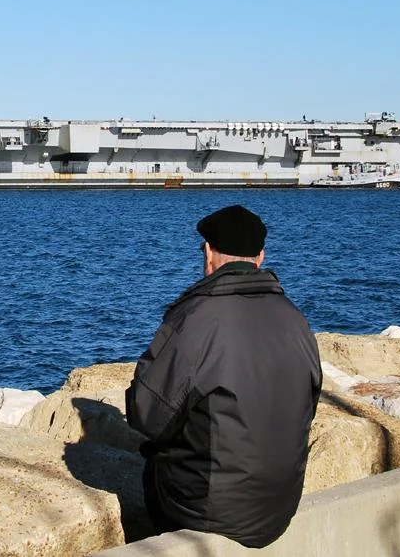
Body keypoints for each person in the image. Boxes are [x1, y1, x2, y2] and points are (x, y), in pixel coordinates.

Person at [125, 204, 322, 548]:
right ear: (260, 257)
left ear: (209, 253)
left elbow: (146, 415)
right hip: (279, 508)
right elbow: (310, 402)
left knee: (151, 461)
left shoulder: (196, 318)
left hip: (210, 513)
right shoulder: (296, 320)